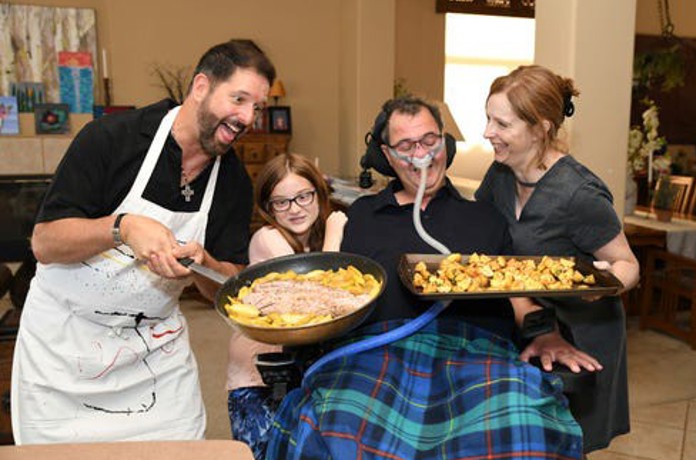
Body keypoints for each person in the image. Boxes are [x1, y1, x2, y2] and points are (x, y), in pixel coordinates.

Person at [267, 96, 583, 459]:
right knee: (333, 425)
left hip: (475, 355)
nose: (421, 153)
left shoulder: (484, 218)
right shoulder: (362, 216)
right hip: (376, 353)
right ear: (387, 155)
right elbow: (329, 296)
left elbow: (519, 297)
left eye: (429, 141)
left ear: (444, 142)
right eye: (406, 145)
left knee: (527, 423)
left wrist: (547, 334)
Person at [11, 39, 276, 444]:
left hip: (154, 360)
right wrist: (123, 227)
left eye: (257, 107)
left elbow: (228, 281)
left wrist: (205, 262)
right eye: (238, 99)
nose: (247, 118)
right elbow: (45, 243)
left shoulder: (233, 182)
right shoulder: (112, 139)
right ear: (201, 86)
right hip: (63, 356)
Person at [475, 65, 640, 453]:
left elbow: (628, 264)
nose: (487, 133)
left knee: (564, 441)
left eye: (501, 123)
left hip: (580, 334)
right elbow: (485, 239)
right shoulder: (499, 175)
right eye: (487, 118)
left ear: (540, 128)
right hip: (524, 320)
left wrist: (603, 286)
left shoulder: (578, 194)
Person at [227, 152, 347, 459]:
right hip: (259, 379)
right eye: (281, 202)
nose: (294, 209)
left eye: (303, 196)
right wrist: (335, 235)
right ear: (268, 208)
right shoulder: (267, 238)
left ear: (319, 194)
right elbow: (317, 300)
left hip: (301, 370)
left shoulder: (315, 239)